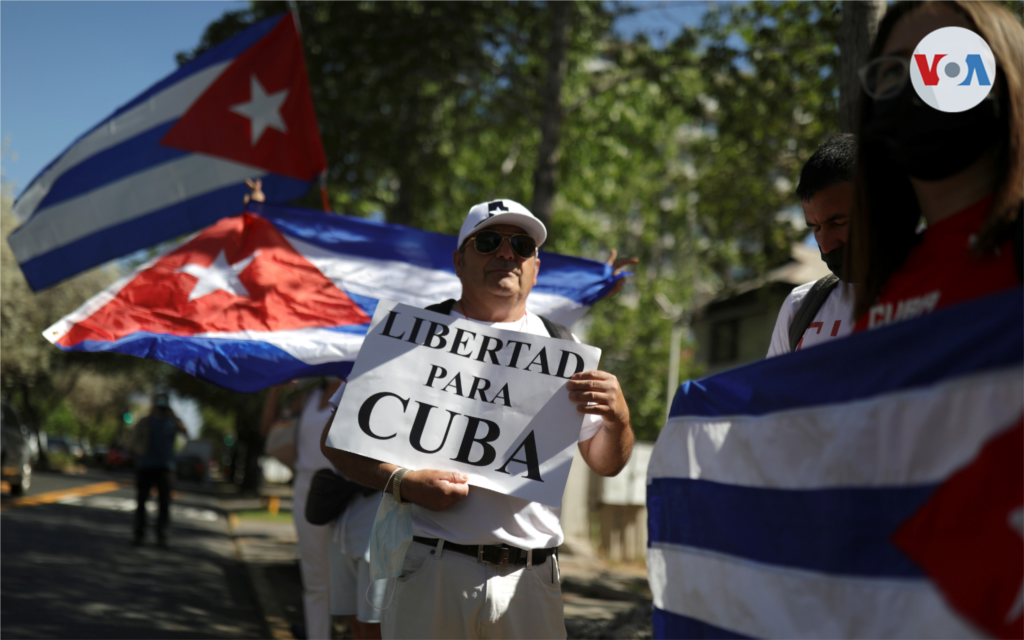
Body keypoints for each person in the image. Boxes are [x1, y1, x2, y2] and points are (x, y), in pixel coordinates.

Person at [320, 198, 634, 640]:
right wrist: (403, 483)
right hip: (429, 572)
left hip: (531, 582)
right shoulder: (408, 336)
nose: (507, 254)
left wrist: (619, 419)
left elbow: (606, 462)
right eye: (489, 241)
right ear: (459, 260)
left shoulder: (564, 347)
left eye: (521, 246)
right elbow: (336, 442)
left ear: (535, 267)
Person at [849, 0, 1024, 330]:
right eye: (892, 70)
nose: (918, 82)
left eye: (949, 64)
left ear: (1008, 76)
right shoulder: (878, 290)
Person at [262, 379, 358, 640]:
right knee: (315, 578)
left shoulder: (356, 386)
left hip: (346, 491)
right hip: (308, 489)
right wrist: (276, 387)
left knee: (352, 579)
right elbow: (268, 430)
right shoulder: (309, 397)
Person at [767, 134, 857, 356]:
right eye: (815, 228)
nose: (825, 246)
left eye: (838, 223)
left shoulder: (936, 292)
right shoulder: (799, 309)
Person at [132, 392, 187, 547]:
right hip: (146, 466)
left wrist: (174, 416)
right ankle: (139, 534)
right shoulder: (147, 421)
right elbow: (134, 438)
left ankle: (162, 535)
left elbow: (185, 432)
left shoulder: (172, 422)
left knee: (164, 503)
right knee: (141, 501)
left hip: (166, 467)